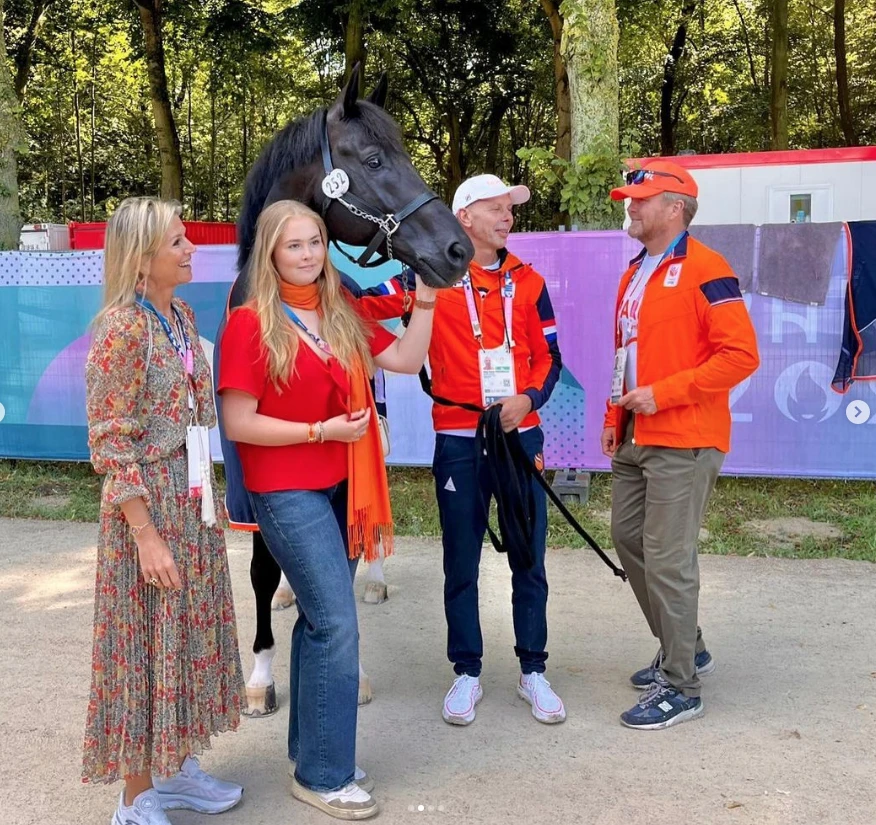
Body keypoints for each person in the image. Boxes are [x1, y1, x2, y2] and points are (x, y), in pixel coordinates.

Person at [217, 199, 437, 821]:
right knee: (338, 622)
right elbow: (238, 421)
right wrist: (321, 432)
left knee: (319, 622)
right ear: (271, 253)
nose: (310, 254)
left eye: (316, 241)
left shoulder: (338, 314)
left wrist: (424, 303)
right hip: (287, 490)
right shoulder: (250, 323)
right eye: (295, 245)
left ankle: (313, 754)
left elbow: (406, 360)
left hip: (342, 485)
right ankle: (325, 775)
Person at [359, 174, 565, 725]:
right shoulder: (424, 278)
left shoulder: (531, 281)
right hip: (458, 438)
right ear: (464, 217)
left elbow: (551, 359)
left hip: (521, 437)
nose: (508, 218)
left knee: (530, 556)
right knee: (460, 561)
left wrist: (527, 398)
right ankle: (466, 672)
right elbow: (361, 306)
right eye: (496, 209)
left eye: (510, 210)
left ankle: (533, 669)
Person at [83, 197, 245, 825]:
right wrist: (146, 535)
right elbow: (110, 439)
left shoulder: (178, 312)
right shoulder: (124, 328)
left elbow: (195, 418)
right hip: (146, 511)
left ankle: (176, 771)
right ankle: (133, 799)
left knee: (186, 637)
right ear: (141, 259)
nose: (189, 249)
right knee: (143, 648)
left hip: (191, 499)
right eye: (176, 242)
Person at [602, 161, 759, 730]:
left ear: (676, 208)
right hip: (636, 434)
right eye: (629, 198)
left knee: (668, 557)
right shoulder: (634, 272)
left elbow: (741, 355)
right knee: (627, 539)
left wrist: (663, 395)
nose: (630, 206)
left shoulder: (707, 267)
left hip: (686, 437)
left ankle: (681, 685)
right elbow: (626, 354)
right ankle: (686, 646)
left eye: (641, 199)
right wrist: (612, 416)